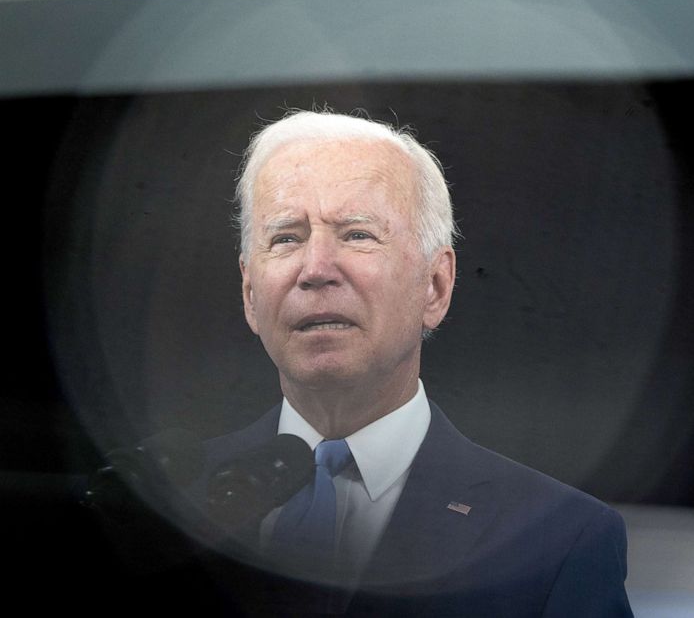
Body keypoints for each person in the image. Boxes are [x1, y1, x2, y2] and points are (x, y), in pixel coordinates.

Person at [197, 109, 632, 616]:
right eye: (286, 238)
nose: (315, 269)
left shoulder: (558, 539)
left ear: (436, 286)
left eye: (357, 234)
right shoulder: (156, 507)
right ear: (250, 294)